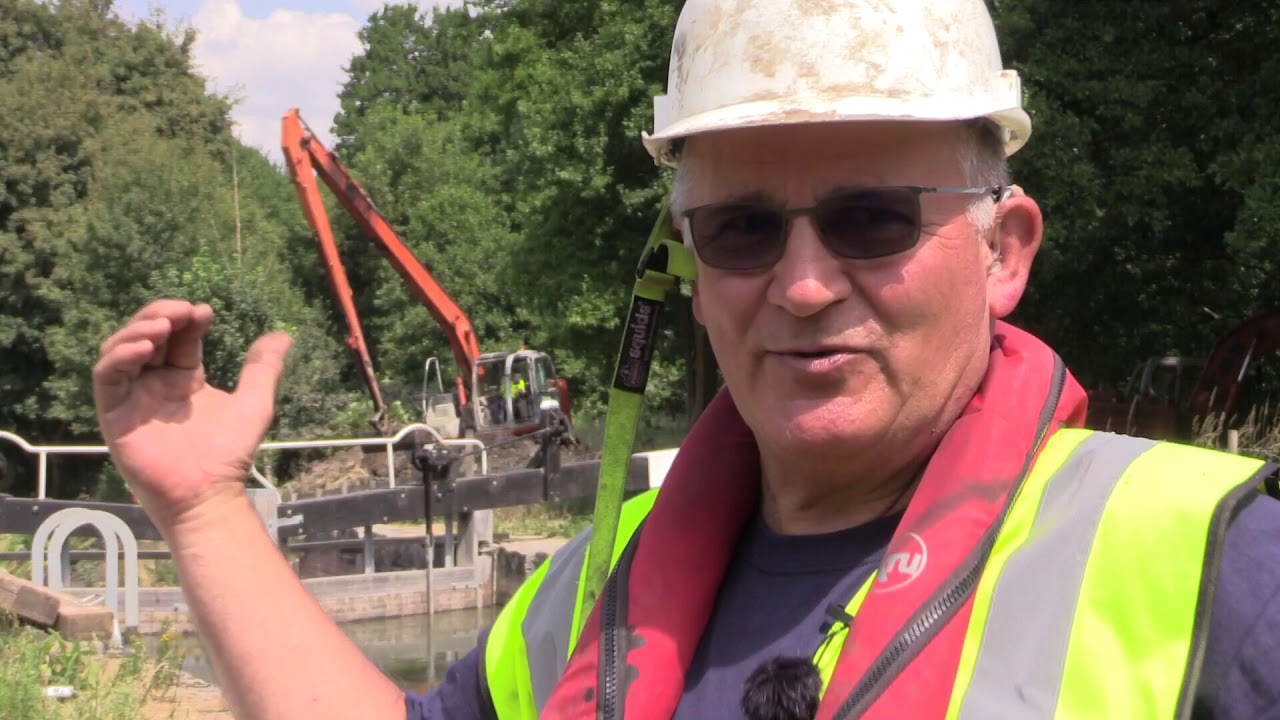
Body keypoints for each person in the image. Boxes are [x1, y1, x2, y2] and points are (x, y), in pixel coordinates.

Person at [92, 1, 1280, 718]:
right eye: (744, 228)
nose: (805, 285)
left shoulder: (1211, 571)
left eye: (872, 220)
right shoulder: (591, 595)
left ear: (1002, 249)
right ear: (688, 269)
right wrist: (202, 509)